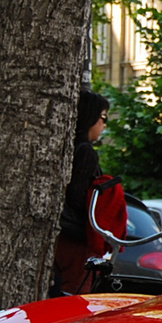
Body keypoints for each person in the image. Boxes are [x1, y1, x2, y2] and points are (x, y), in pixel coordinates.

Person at [55, 89, 111, 295]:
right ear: (89, 117)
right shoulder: (86, 152)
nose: (104, 125)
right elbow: (78, 197)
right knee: (75, 295)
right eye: (102, 118)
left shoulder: (69, 147)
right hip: (76, 238)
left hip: (63, 235)